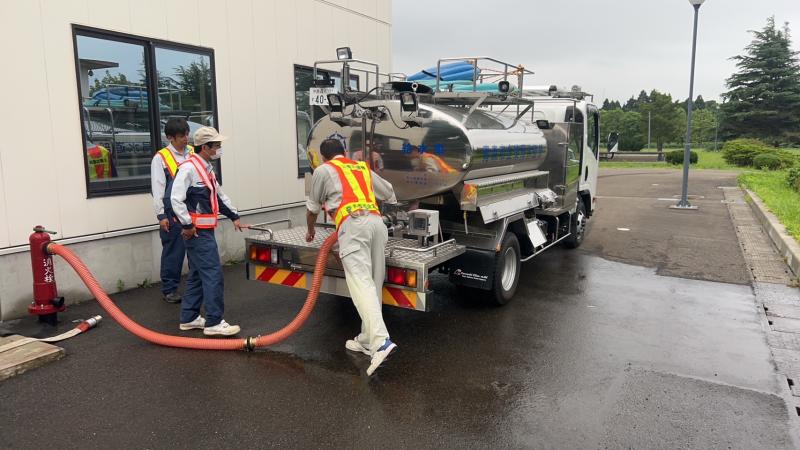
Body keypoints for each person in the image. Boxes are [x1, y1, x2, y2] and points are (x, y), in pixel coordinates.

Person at [305, 139, 398, 376]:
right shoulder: (360, 166)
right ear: (344, 153)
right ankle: (367, 338)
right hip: (377, 224)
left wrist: (310, 230)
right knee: (373, 283)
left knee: (360, 283)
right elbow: (388, 192)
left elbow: (313, 207)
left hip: (353, 225)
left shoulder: (323, 170)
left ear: (324, 157)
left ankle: (380, 342)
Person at [170, 126, 245, 336]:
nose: (220, 148)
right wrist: (186, 224)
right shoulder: (189, 168)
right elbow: (175, 199)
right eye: (217, 145)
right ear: (205, 147)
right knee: (213, 274)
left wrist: (234, 216)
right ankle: (214, 322)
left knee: (196, 274)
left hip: (203, 231)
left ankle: (189, 317)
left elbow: (218, 196)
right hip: (197, 233)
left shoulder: (206, 168)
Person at [151, 118, 194, 304]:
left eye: (186, 134)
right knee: (174, 252)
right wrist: (161, 215)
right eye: (181, 136)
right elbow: (158, 188)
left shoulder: (192, 152)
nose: (186, 138)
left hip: (193, 208)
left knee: (197, 250)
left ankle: (196, 284)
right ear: (170, 137)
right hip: (172, 213)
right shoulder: (161, 158)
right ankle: (169, 289)